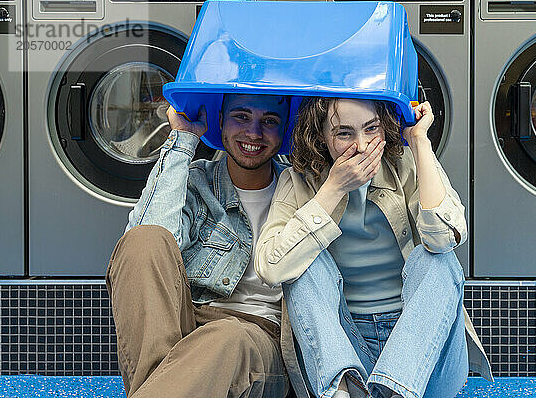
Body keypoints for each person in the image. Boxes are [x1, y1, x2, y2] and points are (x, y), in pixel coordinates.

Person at [255, 98, 492, 398]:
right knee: (303, 264)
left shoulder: (407, 163)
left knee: (437, 261)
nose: (362, 145)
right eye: (344, 134)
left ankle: (398, 389)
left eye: (371, 129)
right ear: (320, 136)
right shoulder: (299, 180)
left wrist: (419, 142)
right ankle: (340, 393)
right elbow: (272, 268)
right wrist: (334, 188)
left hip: (424, 349)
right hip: (347, 351)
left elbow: (445, 237)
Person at [105, 94, 300, 398]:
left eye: (270, 121)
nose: (254, 133)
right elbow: (150, 242)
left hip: (259, 337)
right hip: (187, 323)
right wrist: (183, 139)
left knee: (226, 336)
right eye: (242, 117)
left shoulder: (306, 188)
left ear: (286, 127)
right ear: (220, 119)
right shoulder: (198, 182)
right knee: (144, 240)